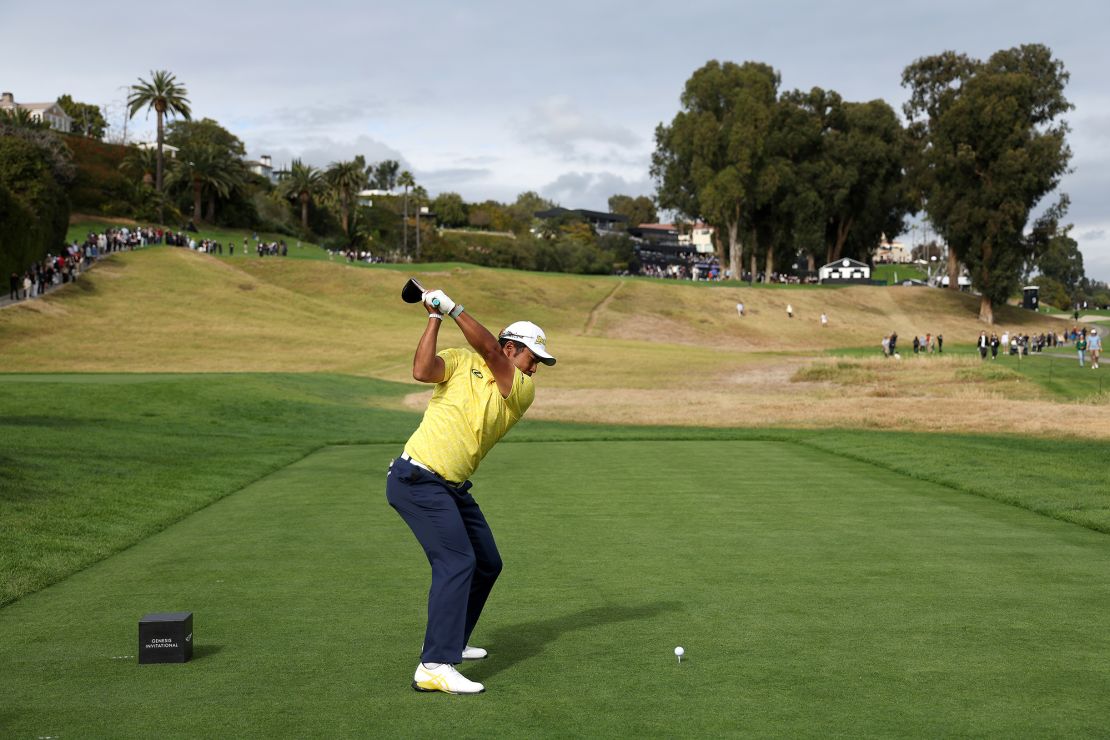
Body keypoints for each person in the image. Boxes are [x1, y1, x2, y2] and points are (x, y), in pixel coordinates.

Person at [387, 287, 556, 695]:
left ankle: (453, 639)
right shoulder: (461, 360)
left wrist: (451, 306)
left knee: (486, 562)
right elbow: (422, 371)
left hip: (451, 487)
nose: (535, 370)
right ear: (513, 347)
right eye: (533, 359)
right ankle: (434, 665)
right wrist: (434, 317)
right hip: (417, 479)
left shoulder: (519, 388)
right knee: (457, 561)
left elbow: (491, 355)